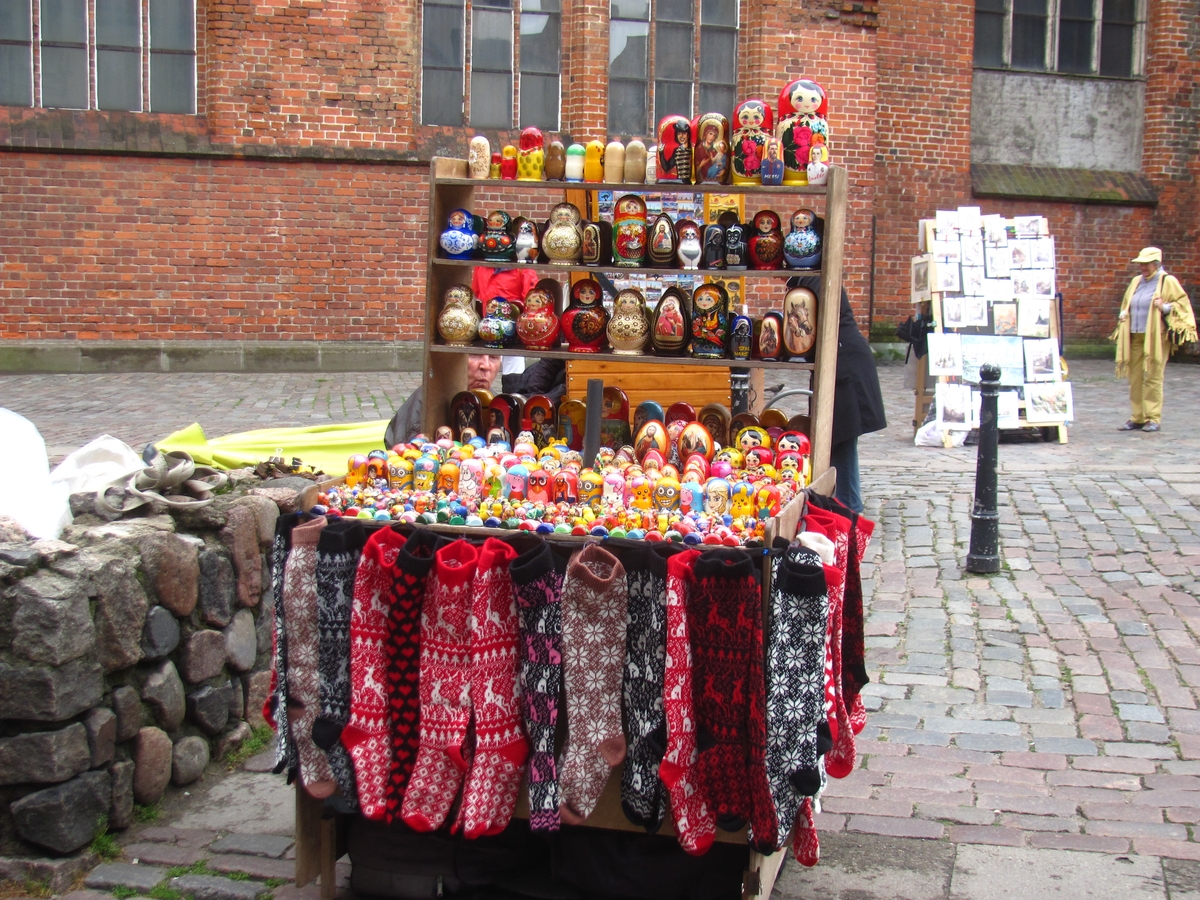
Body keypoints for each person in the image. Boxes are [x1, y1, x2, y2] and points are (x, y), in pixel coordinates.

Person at [791, 276, 886, 513]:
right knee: (838, 439)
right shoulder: (810, 281)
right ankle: (845, 505)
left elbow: (808, 330)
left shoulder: (814, 283)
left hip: (844, 365)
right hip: (840, 362)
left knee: (840, 437)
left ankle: (849, 508)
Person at [1112, 247, 1196, 433]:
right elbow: (1128, 303)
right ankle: (1137, 417)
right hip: (1135, 335)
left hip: (1156, 337)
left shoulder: (1167, 281)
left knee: (1153, 376)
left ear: (1156, 264)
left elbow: (1182, 304)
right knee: (1134, 377)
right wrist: (1124, 313)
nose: (1143, 267)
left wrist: (1165, 307)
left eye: (1147, 264)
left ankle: (1153, 418)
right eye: (1141, 264)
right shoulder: (1136, 281)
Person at [384, 354, 501, 447]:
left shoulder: (500, 405)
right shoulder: (427, 400)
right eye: (475, 355)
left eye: (493, 357)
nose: (486, 366)